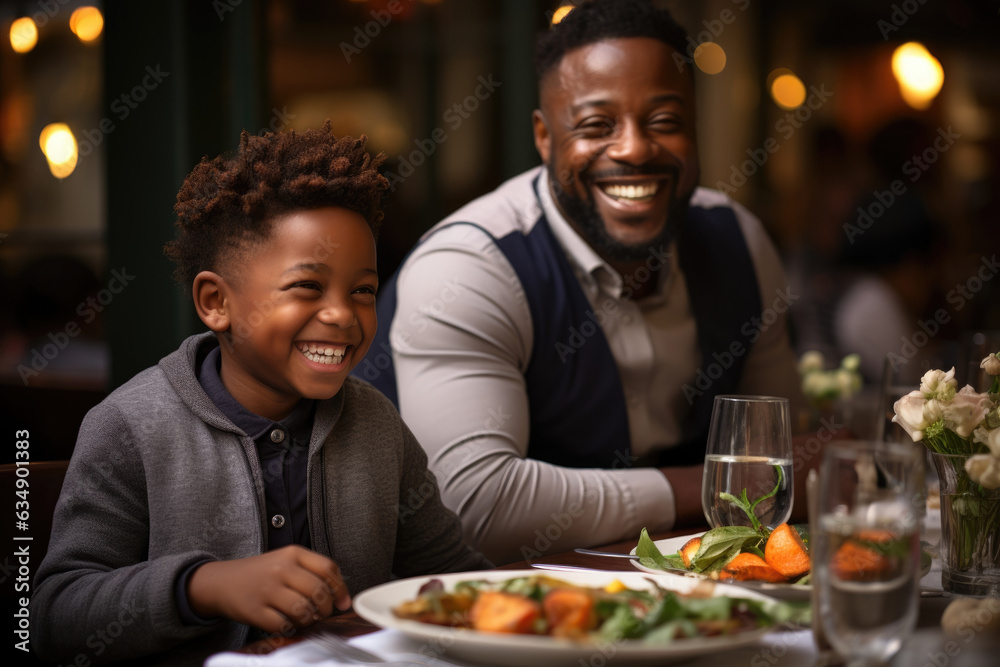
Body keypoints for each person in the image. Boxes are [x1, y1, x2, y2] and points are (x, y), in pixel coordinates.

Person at [356, 0, 804, 565]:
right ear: (544, 139)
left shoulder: (739, 241)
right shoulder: (469, 266)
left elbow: (784, 454)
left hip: (680, 605)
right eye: (596, 125)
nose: (635, 148)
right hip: (470, 616)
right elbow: (474, 507)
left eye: (665, 121)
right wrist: (714, 489)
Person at [32, 126, 490, 665]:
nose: (343, 314)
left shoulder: (375, 422)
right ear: (215, 302)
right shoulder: (131, 425)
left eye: (363, 291)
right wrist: (203, 586)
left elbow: (452, 578)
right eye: (307, 287)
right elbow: (54, 617)